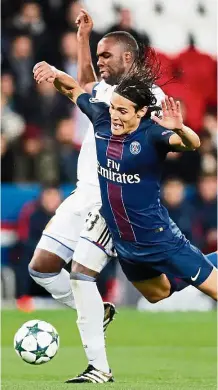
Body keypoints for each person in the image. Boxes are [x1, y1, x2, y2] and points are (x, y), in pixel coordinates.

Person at [32, 10, 217, 383]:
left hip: (111, 202)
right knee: (43, 267)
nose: (99, 62)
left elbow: (175, 142)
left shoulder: (148, 100)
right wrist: (77, 45)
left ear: (128, 58)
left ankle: (98, 368)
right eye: (97, 55)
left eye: (105, 55)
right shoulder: (103, 100)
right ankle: (97, 315)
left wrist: (180, 133)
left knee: (83, 274)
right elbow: (79, 89)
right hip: (84, 192)